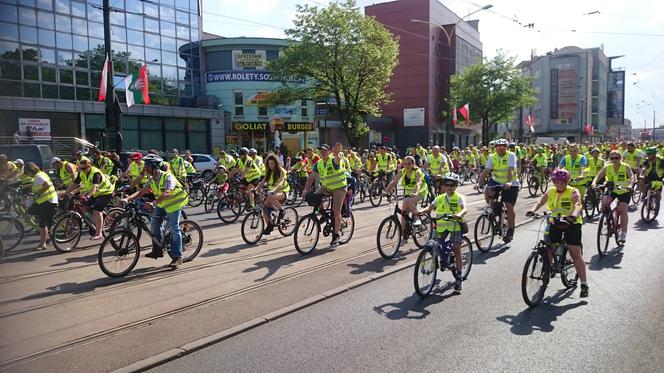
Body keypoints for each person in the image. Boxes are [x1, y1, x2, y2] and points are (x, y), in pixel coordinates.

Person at [527, 168, 589, 298]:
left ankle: (584, 284)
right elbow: (539, 202)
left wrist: (573, 215)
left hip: (571, 223)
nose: (559, 184)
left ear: (567, 182)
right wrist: (532, 210)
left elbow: (577, 204)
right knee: (548, 247)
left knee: (574, 252)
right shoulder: (551, 191)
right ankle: (547, 274)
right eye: (557, 182)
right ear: (553, 182)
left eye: (562, 182)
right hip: (555, 222)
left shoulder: (573, 191)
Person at [122, 154, 188, 268]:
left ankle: (177, 257)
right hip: (163, 204)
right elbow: (141, 191)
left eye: (147, 166)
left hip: (176, 203)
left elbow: (168, 192)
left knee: (173, 227)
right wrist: (127, 198)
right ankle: (158, 250)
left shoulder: (167, 177)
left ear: (154, 167)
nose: (145, 168)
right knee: (154, 223)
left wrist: (153, 203)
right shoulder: (152, 179)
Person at [419, 172, 467, 292]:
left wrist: (459, 214)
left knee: (456, 249)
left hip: (455, 226)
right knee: (434, 245)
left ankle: (459, 278)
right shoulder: (439, 198)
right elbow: (430, 208)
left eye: (452, 185)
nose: (449, 187)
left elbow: (464, 208)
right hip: (441, 227)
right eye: (447, 185)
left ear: (455, 186)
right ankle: (442, 259)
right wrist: (420, 211)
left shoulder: (459, 197)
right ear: (444, 186)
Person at [477, 138, 520, 243]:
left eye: (503, 146)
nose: (501, 148)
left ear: (506, 147)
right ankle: (492, 209)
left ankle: (510, 230)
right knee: (487, 191)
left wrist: (509, 182)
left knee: (508, 204)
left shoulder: (511, 155)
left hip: (511, 183)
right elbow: (486, 171)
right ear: (495, 148)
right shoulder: (492, 157)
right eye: (498, 146)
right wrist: (478, 183)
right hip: (496, 181)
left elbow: (510, 170)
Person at [303, 144, 347, 246]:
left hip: (339, 187)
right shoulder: (318, 164)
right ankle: (324, 215)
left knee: (336, 211)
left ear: (329, 152)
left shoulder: (333, 160)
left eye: (324, 151)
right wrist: (305, 190)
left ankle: (336, 235)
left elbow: (337, 160)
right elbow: (311, 177)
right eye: (320, 151)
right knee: (314, 197)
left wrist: (337, 154)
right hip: (326, 187)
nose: (322, 152)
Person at [63, 157, 114, 240]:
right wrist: (66, 193)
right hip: (95, 193)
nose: (82, 170)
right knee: (81, 205)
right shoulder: (82, 173)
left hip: (106, 193)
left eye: (84, 168)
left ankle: (99, 233)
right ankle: (95, 220)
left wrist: (87, 196)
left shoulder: (95, 173)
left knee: (96, 210)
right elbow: (74, 184)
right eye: (81, 168)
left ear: (90, 166)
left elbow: (94, 187)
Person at [592, 150, 633, 243]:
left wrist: (630, 185)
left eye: (617, 158)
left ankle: (623, 233)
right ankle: (608, 217)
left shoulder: (626, 167)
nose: (614, 160)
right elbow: (598, 176)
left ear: (620, 158)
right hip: (612, 191)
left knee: (622, 210)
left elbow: (631, 177)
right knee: (604, 203)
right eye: (612, 158)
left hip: (624, 191)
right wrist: (594, 183)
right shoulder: (607, 167)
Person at [385, 156, 428, 240]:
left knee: (408, 201)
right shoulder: (402, 171)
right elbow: (394, 182)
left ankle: (418, 219)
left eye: (409, 163)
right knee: (404, 212)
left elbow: (418, 183)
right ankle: (403, 232)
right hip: (408, 193)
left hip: (420, 191)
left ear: (413, 164)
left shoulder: (417, 171)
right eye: (405, 163)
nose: (407, 165)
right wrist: (386, 191)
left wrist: (415, 192)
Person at [24, 162, 58, 250]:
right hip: (45, 201)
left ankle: (42, 244)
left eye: (27, 173)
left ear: (30, 171)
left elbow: (46, 185)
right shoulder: (40, 174)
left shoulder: (38, 176)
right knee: (33, 212)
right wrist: (24, 186)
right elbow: (37, 184)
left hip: (48, 201)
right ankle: (49, 228)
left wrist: (37, 193)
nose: (27, 175)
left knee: (42, 223)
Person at [256, 154, 290, 235]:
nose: (271, 165)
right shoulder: (268, 171)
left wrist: (274, 190)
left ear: (276, 163)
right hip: (273, 193)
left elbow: (281, 182)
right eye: (269, 163)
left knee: (270, 196)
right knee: (264, 209)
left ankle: (282, 210)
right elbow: (263, 181)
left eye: (273, 164)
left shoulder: (281, 171)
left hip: (283, 191)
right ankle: (270, 226)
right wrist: (256, 189)